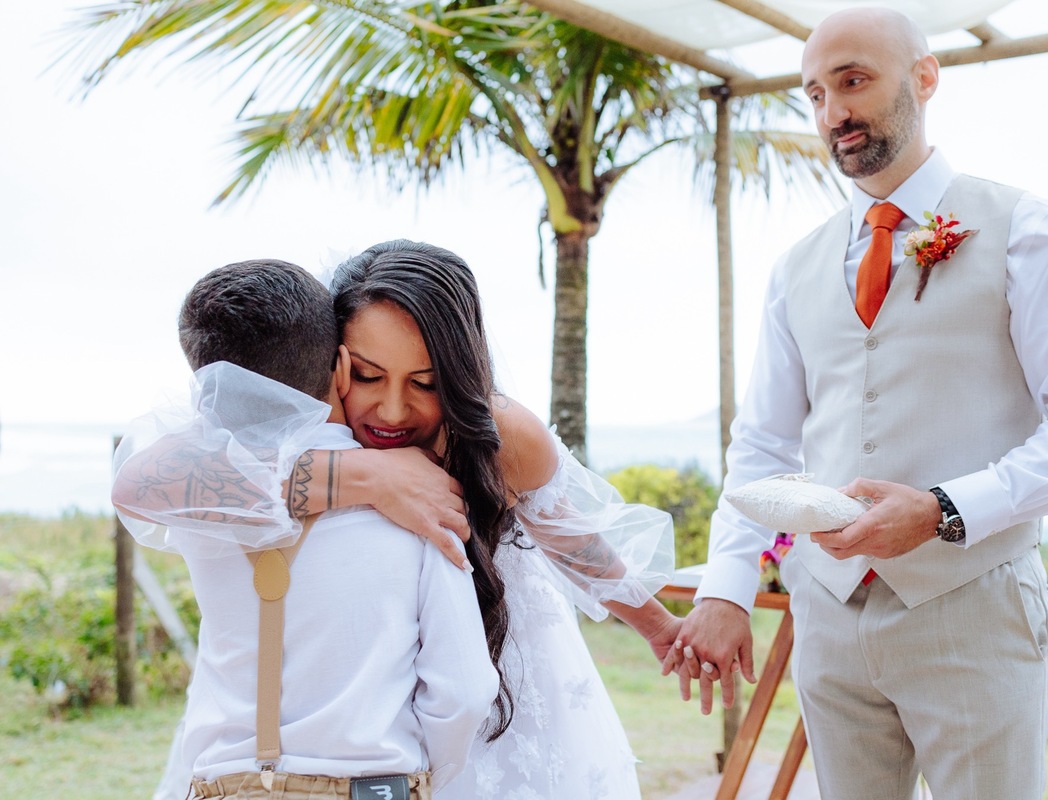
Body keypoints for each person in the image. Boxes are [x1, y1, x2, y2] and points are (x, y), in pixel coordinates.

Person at [666, 8, 1048, 800]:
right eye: (815, 94)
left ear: (924, 79)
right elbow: (764, 448)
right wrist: (725, 587)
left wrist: (946, 508)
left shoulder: (1028, 229)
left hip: (974, 606)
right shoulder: (796, 268)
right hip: (828, 607)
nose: (833, 113)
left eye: (853, 82)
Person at [116, 240, 682, 799]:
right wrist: (369, 475)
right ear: (332, 362)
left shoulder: (500, 436)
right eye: (367, 375)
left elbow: (568, 535)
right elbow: (138, 486)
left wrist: (660, 628)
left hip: (491, 706)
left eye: (425, 383)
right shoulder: (266, 441)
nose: (391, 410)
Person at [116, 259, 501, 799]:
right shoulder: (419, 501)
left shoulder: (202, 506)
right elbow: (464, 691)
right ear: (340, 367)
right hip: (373, 786)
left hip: (222, 785)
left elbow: (138, 481)